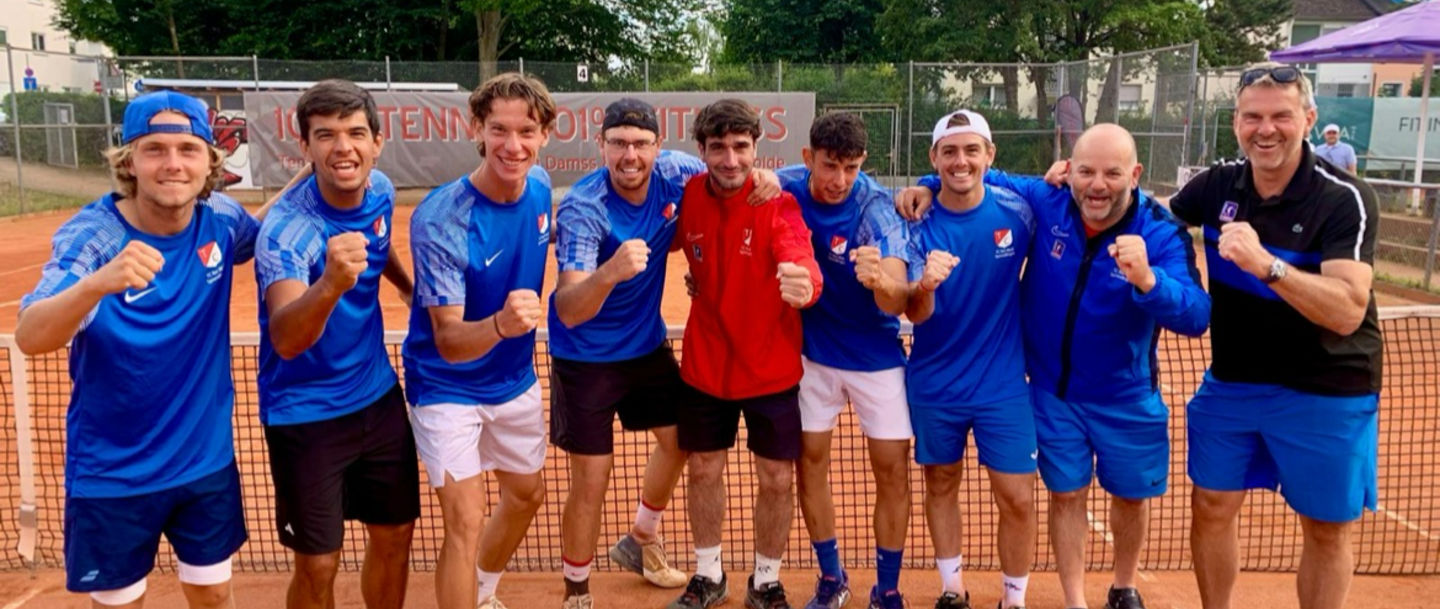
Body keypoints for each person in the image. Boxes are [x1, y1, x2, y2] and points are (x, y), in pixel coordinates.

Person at [906, 123, 1210, 609]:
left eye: (1112, 173)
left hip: (1126, 395)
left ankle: (1124, 585)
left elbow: (1196, 315)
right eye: (1086, 171)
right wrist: (924, 183)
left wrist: (1150, 281)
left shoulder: (1159, 230)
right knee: (1066, 497)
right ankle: (1074, 601)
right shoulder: (1046, 201)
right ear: (1068, 172)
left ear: (1134, 174)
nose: (1097, 185)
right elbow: (973, 170)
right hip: (1051, 392)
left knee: (1130, 498)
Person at [14, 91, 280, 608]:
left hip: (205, 464)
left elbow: (261, 231)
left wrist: (312, 174)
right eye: (155, 149)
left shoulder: (221, 218)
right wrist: (96, 285)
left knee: (214, 597)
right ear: (129, 161)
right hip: (113, 476)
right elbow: (30, 334)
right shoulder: (93, 237)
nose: (173, 163)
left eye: (188, 148)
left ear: (210, 163)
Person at [1168, 62, 1382, 609]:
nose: (1266, 129)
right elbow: (1153, 218)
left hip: (1326, 387)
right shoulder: (1218, 185)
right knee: (1211, 504)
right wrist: (1076, 179)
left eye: (1281, 116)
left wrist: (1267, 266)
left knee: (1326, 528)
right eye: (1252, 117)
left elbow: (1346, 312)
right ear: (1236, 123)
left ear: (1308, 119)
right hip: (1234, 383)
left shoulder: (1344, 199)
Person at [253, 79, 418, 609]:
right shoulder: (287, 231)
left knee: (395, 537)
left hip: (377, 398)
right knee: (318, 564)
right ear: (304, 147)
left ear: (377, 141)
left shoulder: (383, 191)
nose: (342, 147)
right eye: (325, 135)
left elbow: (379, 242)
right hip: (304, 414)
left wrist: (408, 289)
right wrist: (329, 283)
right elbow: (286, 338)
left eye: (354, 133)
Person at [402, 72, 556, 609]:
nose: (512, 146)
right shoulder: (442, 219)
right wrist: (500, 326)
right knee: (464, 521)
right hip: (446, 387)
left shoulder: (539, 189)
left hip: (514, 381)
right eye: (499, 130)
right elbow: (448, 340)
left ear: (544, 135)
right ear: (477, 130)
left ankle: (482, 591)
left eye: (526, 131)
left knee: (526, 495)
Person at [667, 98, 823, 609]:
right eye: (719, 148)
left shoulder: (776, 202)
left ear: (756, 148)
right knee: (704, 469)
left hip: (771, 367)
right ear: (702, 151)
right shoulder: (688, 191)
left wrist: (806, 283)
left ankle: (767, 579)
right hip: (705, 364)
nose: (730, 160)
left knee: (777, 478)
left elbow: (799, 256)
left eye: (741, 147)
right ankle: (708, 575)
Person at [775, 112, 917, 609]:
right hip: (812, 358)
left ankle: (889, 587)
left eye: (851, 168)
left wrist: (880, 280)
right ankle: (832, 579)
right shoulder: (785, 186)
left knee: (891, 471)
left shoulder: (875, 208)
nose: (839, 180)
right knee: (809, 465)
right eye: (830, 165)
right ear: (808, 158)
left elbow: (897, 301)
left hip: (877, 360)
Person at [903, 109, 1036, 609]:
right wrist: (926, 285)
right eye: (950, 152)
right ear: (934, 158)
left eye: (971, 150)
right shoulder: (915, 221)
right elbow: (915, 313)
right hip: (935, 382)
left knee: (1018, 497)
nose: (961, 162)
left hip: (1003, 385)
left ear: (989, 156)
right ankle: (952, 589)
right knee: (941, 482)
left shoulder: (1018, 211)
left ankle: (1013, 599)